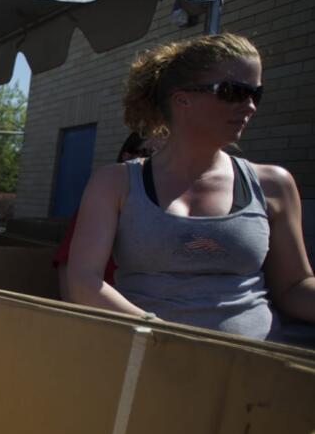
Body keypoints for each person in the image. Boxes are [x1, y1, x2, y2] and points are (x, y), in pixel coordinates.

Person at [68, 33, 315, 340]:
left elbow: (293, 287)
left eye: (256, 94)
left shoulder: (274, 184)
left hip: (252, 370)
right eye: (233, 91)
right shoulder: (115, 183)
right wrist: (163, 337)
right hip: (149, 365)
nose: (250, 106)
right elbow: (82, 280)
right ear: (182, 99)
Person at [54, 132, 151, 300]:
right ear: (127, 156)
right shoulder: (103, 200)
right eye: (149, 154)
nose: (158, 162)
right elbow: (68, 267)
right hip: (109, 313)